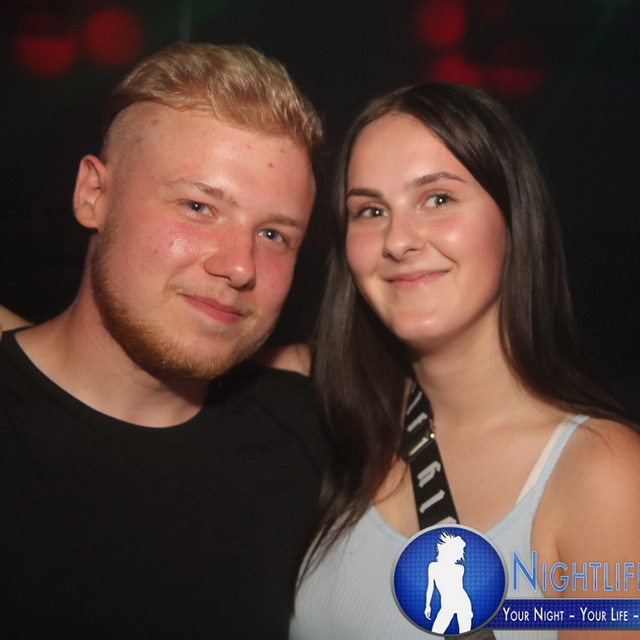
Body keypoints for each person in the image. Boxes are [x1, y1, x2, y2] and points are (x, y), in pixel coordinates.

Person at [291, 82, 640, 639]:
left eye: (438, 199)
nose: (398, 240)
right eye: (371, 210)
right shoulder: (345, 408)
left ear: (512, 218)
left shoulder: (603, 475)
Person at [0, 42, 325, 639]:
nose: (240, 266)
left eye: (274, 234)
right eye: (199, 206)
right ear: (93, 195)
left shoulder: (313, 444)